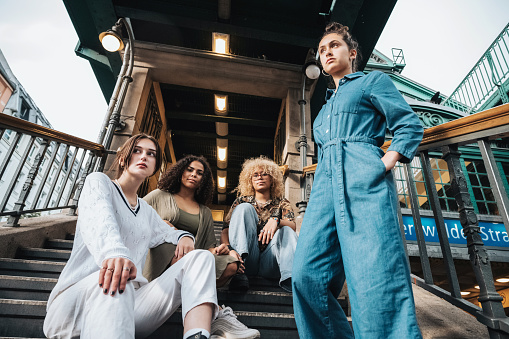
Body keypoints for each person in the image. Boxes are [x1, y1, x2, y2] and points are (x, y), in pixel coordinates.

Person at [291, 22, 424, 339]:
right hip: (325, 187)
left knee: (373, 275)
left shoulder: (371, 82)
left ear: (351, 53)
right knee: (306, 275)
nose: (327, 53)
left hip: (363, 176)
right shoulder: (322, 111)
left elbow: (408, 125)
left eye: (333, 46)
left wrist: (383, 164)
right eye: (322, 50)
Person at [43, 134, 217, 339]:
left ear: (155, 167)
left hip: (131, 305)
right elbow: (101, 219)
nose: (143, 157)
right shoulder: (99, 183)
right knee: (119, 278)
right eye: (137, 150)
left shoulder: (146, 211)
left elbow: (169, 232)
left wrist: (185, 236)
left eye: (150, 154)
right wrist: (114, 254)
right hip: (75, 306)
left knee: (202, 258)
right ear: (123, 157)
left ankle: (197, 334)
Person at [143, 155, 260, 339]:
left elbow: (206, 247)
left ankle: (196, 302)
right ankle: (218, 313)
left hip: (193, 257)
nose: (193, 175)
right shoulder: (159, 195)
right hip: (162, 255)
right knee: (182, 254)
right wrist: (166, 228)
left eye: (199, 173)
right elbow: (136, 219)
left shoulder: (204, 211)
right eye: (189, 170)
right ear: (180, 172)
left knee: (231, 264)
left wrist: (218, 250)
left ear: (203, 180)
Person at [221, 156, 297, 293]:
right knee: (244, 208)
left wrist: (276, 221)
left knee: (286, 230)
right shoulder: (241, 201)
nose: (259, 177)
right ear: (250, 180)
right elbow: (226, 230)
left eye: (264, 174)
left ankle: (293, 280)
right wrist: (229, 250)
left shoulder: (282, 202)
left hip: (271, 261)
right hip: (248, 260)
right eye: (255, 175)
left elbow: (292, 226)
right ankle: (238, 271)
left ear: (272, 178)